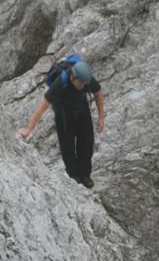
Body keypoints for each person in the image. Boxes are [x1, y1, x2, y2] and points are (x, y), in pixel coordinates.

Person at [19, 60, 104, 188]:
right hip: (64, 117)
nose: (83, 86)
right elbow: (42, 107)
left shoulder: (86, 79)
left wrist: (101, 118)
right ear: (72, 77)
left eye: (84, 84)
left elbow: (98, 94)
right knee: (67, 149)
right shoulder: (60, 83)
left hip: (82, 112)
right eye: (80, 83)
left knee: (86, 144)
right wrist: (28, 129)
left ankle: (85, 175)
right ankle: (74, 176)